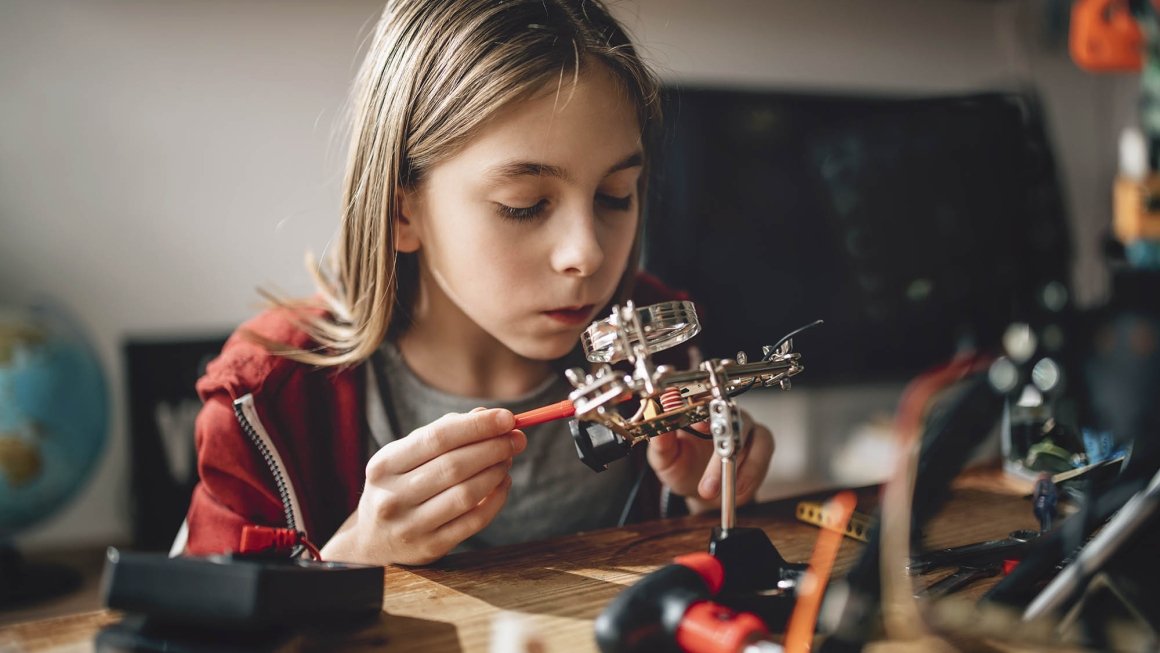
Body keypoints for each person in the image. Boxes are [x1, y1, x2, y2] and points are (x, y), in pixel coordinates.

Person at [182, 0, 775, 566]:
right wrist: (353, 553)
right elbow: (191, 627)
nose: (587, 254)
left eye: (615, 197)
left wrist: (708, 497)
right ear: (402, 214)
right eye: (523, 205)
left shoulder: (663, 338)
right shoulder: (267, 399)